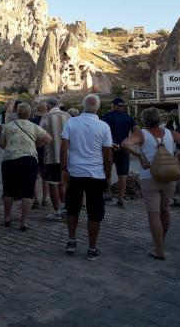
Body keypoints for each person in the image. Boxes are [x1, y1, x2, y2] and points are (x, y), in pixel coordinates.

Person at [121, 107, 180, 260]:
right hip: (169, 175)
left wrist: (140, 156)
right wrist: (177, 154)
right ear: (159, 120)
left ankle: (159, 249)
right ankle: (161, 242)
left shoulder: (141, 134)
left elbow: (125, 144)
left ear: (144, 121)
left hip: (149, 177)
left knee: (154, 213)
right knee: (165, 211)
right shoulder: (169, 133)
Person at [60, 94, 113, 261]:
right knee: (94, 213)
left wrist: (63, 169)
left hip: (75, 172)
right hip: (96, 174)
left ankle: (71, 240)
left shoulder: (71, 122)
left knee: (72, 208)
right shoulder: (104, 126)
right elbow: (108, 154)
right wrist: (108, 175)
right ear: (97, 108)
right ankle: (91, 248)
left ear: (83, 106)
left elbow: (63, 148)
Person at [0, 103, 52, 231]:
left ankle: (7, 218)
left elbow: (1, 144)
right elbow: (48, 139)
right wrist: (35, 145)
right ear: (29, 114)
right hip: (28, 160)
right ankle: (24, 222)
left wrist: (12, 148)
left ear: (17, 112)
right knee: (27, 192)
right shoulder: (33, 126)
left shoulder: (8, 126)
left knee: (8, 190)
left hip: (10, 160)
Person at [101, 98, 138, 208]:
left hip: (110, 147)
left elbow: (102, 131)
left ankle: (107, 193)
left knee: (106, 171)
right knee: (122, 175)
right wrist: (130, 143)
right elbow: (137, 131)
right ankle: (120, 198)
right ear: (122, 106)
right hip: (124, 148)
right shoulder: (128, 117)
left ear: (113, 105)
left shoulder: (107, 116)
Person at [40, 97, 70, 221]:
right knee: (65, 182)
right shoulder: (68, 116)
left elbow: (41, 135)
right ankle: (66, 208)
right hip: (67, 156)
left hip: (52, 155)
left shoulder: (46, 117)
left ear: (47, 106)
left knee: (53, 184)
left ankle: (56, 212)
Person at [30, 101, 49, 208]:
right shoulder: (47, 120)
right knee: (45, 176)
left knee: (34, 176)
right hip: (45, 150)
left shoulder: (31, 121)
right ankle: (45, 199)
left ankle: (36, 199)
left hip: (33, 150)